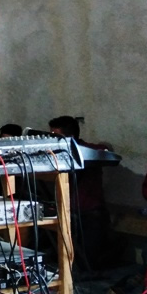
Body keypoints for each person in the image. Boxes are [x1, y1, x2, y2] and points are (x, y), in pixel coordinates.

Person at [49, 115, 113, 269]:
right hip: (68, 211)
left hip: (90, 213)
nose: (52, 141)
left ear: (70, 137)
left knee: (88, 260)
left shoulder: (88, 150)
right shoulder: (55, 154)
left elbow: (104, 150)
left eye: (56, 137)